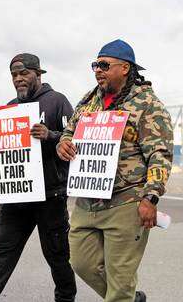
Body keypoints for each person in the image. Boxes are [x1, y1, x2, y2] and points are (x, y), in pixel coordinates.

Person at [56, 39, 173, 302]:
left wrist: (150, 197)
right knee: (81, 263)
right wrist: (63, 143)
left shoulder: (147, 105)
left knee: (120, 280)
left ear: (125, 68)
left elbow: (160, 155)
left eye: (104, 65)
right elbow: (68, 131)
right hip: (88, 201)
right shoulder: (89, 100)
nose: (98, 70)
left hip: (126, 201)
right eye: (95, 65)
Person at [0, 53, 77, 301]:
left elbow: (75, 140)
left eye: (24, 73)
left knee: (57, 257)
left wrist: (50, 135)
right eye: (14, 75)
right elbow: (3, 148)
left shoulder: (57, 102)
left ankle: (65, 298)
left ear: (38, 74)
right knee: (0, 257)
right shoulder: (8, 109)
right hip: (15, 199)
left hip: (50, 197)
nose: (18, 79)